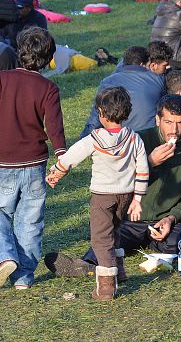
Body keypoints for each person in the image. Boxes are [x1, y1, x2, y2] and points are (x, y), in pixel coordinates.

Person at [45, 94, 181, 285]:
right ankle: (87, 264)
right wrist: (150, 163)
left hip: (165, 221)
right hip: (132, 218)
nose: (174, 130)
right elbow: (119, 181)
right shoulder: (137, 140)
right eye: (169, 122)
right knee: (109, 237)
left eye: (180, 123)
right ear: (157, 119)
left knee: (179, 242)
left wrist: (171, 218)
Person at [0, 27, 65, 290]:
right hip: (36, 164)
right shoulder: (49, 87)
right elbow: (55, 128)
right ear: (49, 59)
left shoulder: (2, 79)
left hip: (5, 163)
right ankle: (23, 277)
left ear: (19, 51)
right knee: (30, 220)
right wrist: (61, 159)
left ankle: (3, 257)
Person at [46, 87, 149, 301]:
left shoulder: (95, 138)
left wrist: (58, 171)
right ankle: (120, 272)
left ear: (101, 113)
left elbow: (73, 155)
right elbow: (142, 168)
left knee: (101, 239)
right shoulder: (134, 139)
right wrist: (138, 199)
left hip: (103, 196)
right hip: (126, 195)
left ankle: (106, 287)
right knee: (116, 231)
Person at [82, 44, 171, 138]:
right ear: (142, 64)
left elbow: (95, 119)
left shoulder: (107, 81)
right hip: (150, 139)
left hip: (118, 140)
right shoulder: (158, 80)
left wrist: (83, 142)